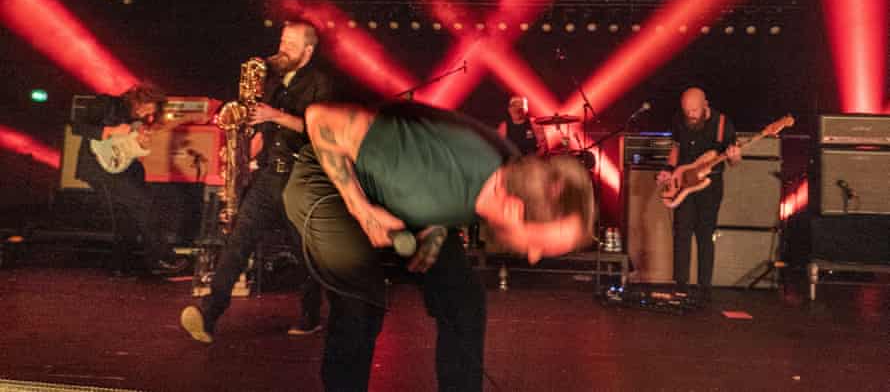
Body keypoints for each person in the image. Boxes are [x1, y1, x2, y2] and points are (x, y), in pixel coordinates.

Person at [284, 100, 594, 391]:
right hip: (326, 186)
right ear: (514, 209)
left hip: (398, 193)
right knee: (361, 301)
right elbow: (318, 117)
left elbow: (448, 191)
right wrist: (361, 210)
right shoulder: (428, 171)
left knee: (464, 300)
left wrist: (436, 227)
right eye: (537, 243)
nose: (533, 256)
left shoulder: (504, 172)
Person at [180, 21, 333, 344]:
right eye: (282, 40)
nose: (283, 48)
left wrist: (275, 116)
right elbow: (266, 134)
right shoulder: (275, 84)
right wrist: (238, 149)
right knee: (237, 244)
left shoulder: (321, 84)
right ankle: (208, 316)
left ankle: (310, 316)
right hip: (267, 178)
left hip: (301, 181)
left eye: (291, 43)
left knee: (307, 256)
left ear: (308, 50)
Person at [72, 83, 187, 275]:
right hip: (98, 166)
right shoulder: (106, 103)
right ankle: (161, 257)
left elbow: (127, 150)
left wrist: (140, 143)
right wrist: (109, 131)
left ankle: (124, 266)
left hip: (122, 167)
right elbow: (77, 126)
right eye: (145, 107)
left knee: (126, 216)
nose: (145, 113)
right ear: (138, 98)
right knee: (143, 203)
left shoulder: (137, 122)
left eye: (150, 111)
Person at [656, 87, 741, 300]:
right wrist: (668, 170)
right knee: (681, 233)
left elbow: (734, 161)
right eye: (687, 112)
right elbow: (676, 147)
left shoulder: (722, 123)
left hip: (709, 187)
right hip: (683, 182)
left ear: (705, 105)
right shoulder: (679, 119)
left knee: (705, 235)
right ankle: (681, 285)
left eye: (694, 110)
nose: (691, 116)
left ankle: (705, 287)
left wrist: (734, 156)